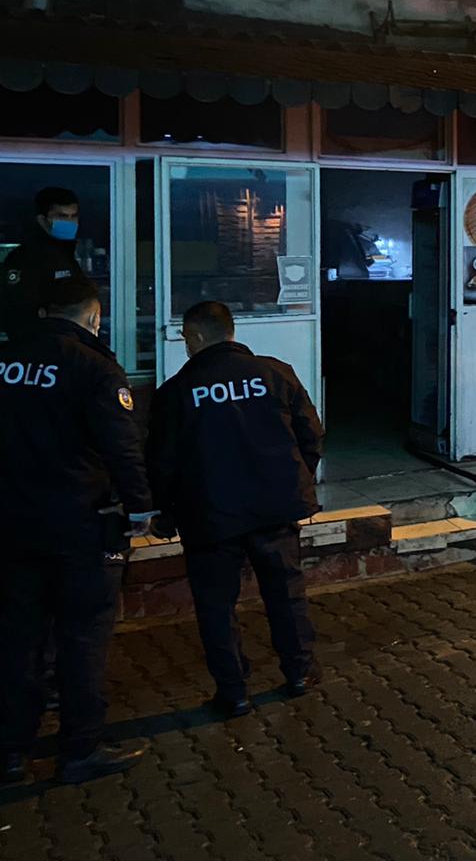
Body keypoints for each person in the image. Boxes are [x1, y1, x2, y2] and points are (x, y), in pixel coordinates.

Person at [0, 274, 154, 785]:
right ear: (93, 315)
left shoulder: (5, 359)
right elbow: (121, 446)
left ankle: (11, 752)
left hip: (12, 524)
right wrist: (141, 508)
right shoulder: (94, 367)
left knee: (19, 636)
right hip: (78, 523)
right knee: (83, 634)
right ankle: (79, 749)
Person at [148, 301, 324, 718]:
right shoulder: (275, 373)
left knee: (215, 605)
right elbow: (311, 435)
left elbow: (162, 464)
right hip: (273, 508)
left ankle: (234, 692)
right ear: (231, 333)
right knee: (285, 592)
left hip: (210, 516)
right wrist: (295, 483)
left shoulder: (174, 393)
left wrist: (164, 514)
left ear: (195, 337)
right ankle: (299, 672)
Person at [0, 186, 87, 345]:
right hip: (39, 347)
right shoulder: (25, 258)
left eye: (73, 216)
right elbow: (16, 310)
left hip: (70, 345)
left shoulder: (67, 255)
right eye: (62, 216)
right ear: (42, 220)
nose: (69, 222)